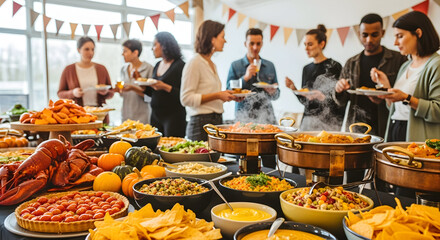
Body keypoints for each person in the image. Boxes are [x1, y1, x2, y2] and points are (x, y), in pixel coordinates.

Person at [332, 14, 407, 183]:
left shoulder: (398, 59)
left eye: (374, 34)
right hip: (356, 128)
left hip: (386, 126)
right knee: (352, 176)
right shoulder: (351, 62)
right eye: (364, 35)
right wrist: (339, 90)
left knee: (383, 178)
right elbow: (341, 102)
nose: (369, 39)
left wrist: (385, 96)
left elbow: (404, 95)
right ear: (359, 34)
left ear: (382, 32)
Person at [372, 11, 440, 142]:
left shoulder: (436, 65)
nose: (395, 43)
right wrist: (386, 87)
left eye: (400, 36)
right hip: (395, 127)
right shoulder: (406, 66)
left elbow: (437, 111)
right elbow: (396, 107)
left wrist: (406, 98)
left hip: (417, 136)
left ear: (418, 34)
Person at [180, 20, 237, 141]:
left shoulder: (211, 64)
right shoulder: (195, 63)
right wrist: (217, 95)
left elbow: (210, 97)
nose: (225, 41)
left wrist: (228, 97)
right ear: (212, 39)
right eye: (222, 37)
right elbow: (185, 99)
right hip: (200, 124)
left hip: (216, 121)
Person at [285, 24, 344, 131]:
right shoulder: (306, 69)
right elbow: (305, 101)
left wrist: (322, 97)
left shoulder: (335, 66)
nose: (306, 48)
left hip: (329, 122)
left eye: (310, 44)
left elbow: (341, 101)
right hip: (308, 122)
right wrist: (293, 89)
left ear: (322, 44)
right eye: (305, 44)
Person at [226, 28, 280, 124]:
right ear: (245, 44)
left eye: (258, 44)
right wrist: (245, 77)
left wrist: (273, 92)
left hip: (267, 118)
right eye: (251, 43)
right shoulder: (235, 65)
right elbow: (229, 92)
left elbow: (276, 96)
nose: (255, 47)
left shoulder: (270, 66)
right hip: (243, 117)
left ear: (262, 44)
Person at [144, 32, 186, 137]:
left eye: (154, 45)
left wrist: (164, 86)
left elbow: (184, 95)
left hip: (173, 117)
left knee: (171, 149)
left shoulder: (180, 66)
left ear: (164, 45)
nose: (152, 48)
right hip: (155, 115)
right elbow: (149, 94)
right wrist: (139, 82)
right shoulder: (157, 65)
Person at [58, 36, 114, 111]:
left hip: (99, 113)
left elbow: (111, 92)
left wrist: (105, 92)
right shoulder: (68, 70)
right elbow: (60, 94)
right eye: (86, 49)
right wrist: (73, 93)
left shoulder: (102, 69)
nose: (91, 53)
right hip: (77, 114)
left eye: (93, 49)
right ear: (78, 50)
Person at [117, 39, 154, 124]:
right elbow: (123, 94)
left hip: (142, 117)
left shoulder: (148, 69)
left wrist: (133, 89)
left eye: (125, 51)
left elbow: (150, 98)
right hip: (126, 115)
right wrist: (118, 90)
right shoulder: (123, 69)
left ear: (135, 53)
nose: (122, 54)